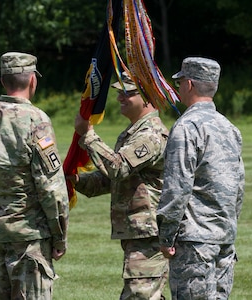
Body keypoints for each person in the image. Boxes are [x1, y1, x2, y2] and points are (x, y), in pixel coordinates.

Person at [0, 52, 69, 300]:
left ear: (2, 80)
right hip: (29, 240)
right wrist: (60, 236)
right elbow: (51, 188)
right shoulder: (36, 120)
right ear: (32, 81)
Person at [71, 72, 169, 300]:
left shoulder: (150, 135)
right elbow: (112, 178)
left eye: (128, 93)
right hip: (139, 232)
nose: (120, 98)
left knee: (139, 296)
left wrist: (88, 135)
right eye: (119, 92)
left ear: (147, 96)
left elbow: (118, 167)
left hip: (149, 234)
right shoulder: (133, 133)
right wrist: (76, 181)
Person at [156, 57, 245, 299]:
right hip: (224, 239)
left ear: (190, 84)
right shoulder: (229, 128)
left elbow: (177, 187)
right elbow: (238, 186)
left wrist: (166, 236)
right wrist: (228, 226)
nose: (178, 87)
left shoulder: (187, 127)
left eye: (180, 81)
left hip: (195, 243)